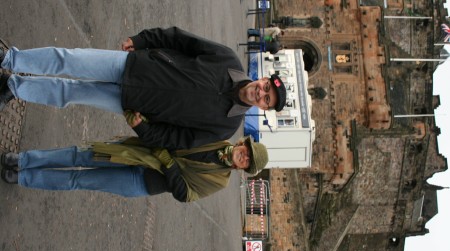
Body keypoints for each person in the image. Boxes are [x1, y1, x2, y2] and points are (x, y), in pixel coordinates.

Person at [0, 27, 286, 150]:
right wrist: (141, 39)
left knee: (70, 94)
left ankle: (15, 86)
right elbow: (179, 39)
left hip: (133, 104)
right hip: (132, 65)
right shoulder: (227, 59)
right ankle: (11, 59)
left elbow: (178, 139)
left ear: (262, 108)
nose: (260, 94)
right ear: (261, 79)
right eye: (264, 88)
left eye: (265, 100)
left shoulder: (226, 127)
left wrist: (143, 129)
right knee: (69, 59)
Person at [0, 135, 268, 202]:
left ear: (242, 168)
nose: (244, 157)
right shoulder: (218, 139)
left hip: (142, 183)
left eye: (247, 162)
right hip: (137, 154)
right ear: (242, 144)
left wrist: (169, 164)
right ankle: (22, 160)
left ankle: (23, 177)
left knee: (78, 180)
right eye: (247, 152)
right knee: (79, 154)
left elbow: (185, 194)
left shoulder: (220, 181)